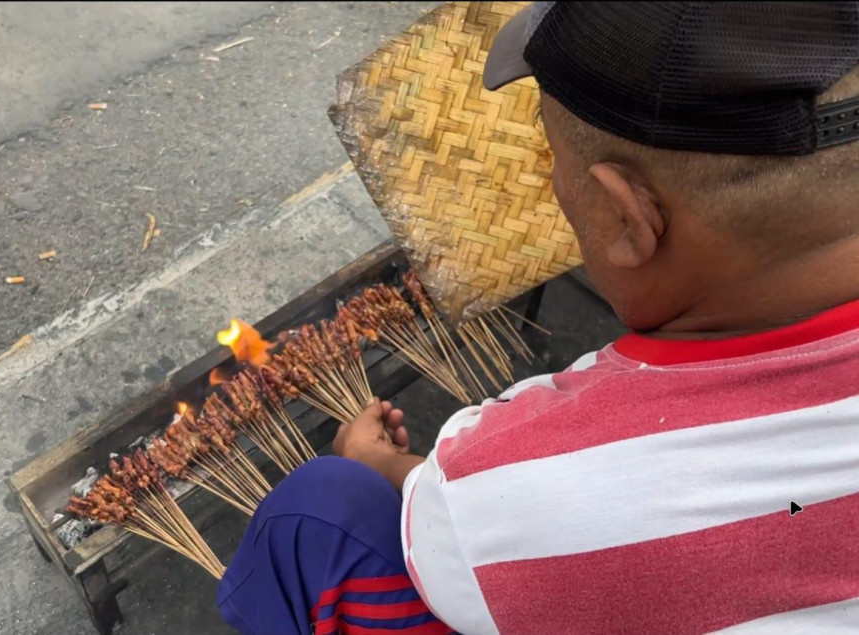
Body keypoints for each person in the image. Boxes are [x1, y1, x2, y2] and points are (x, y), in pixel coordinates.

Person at [217, 3, 859, 633]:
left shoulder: (529, 484)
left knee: (314, 509)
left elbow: (469, 513)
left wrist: (374, 462)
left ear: (629, 219)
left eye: (552, 158)